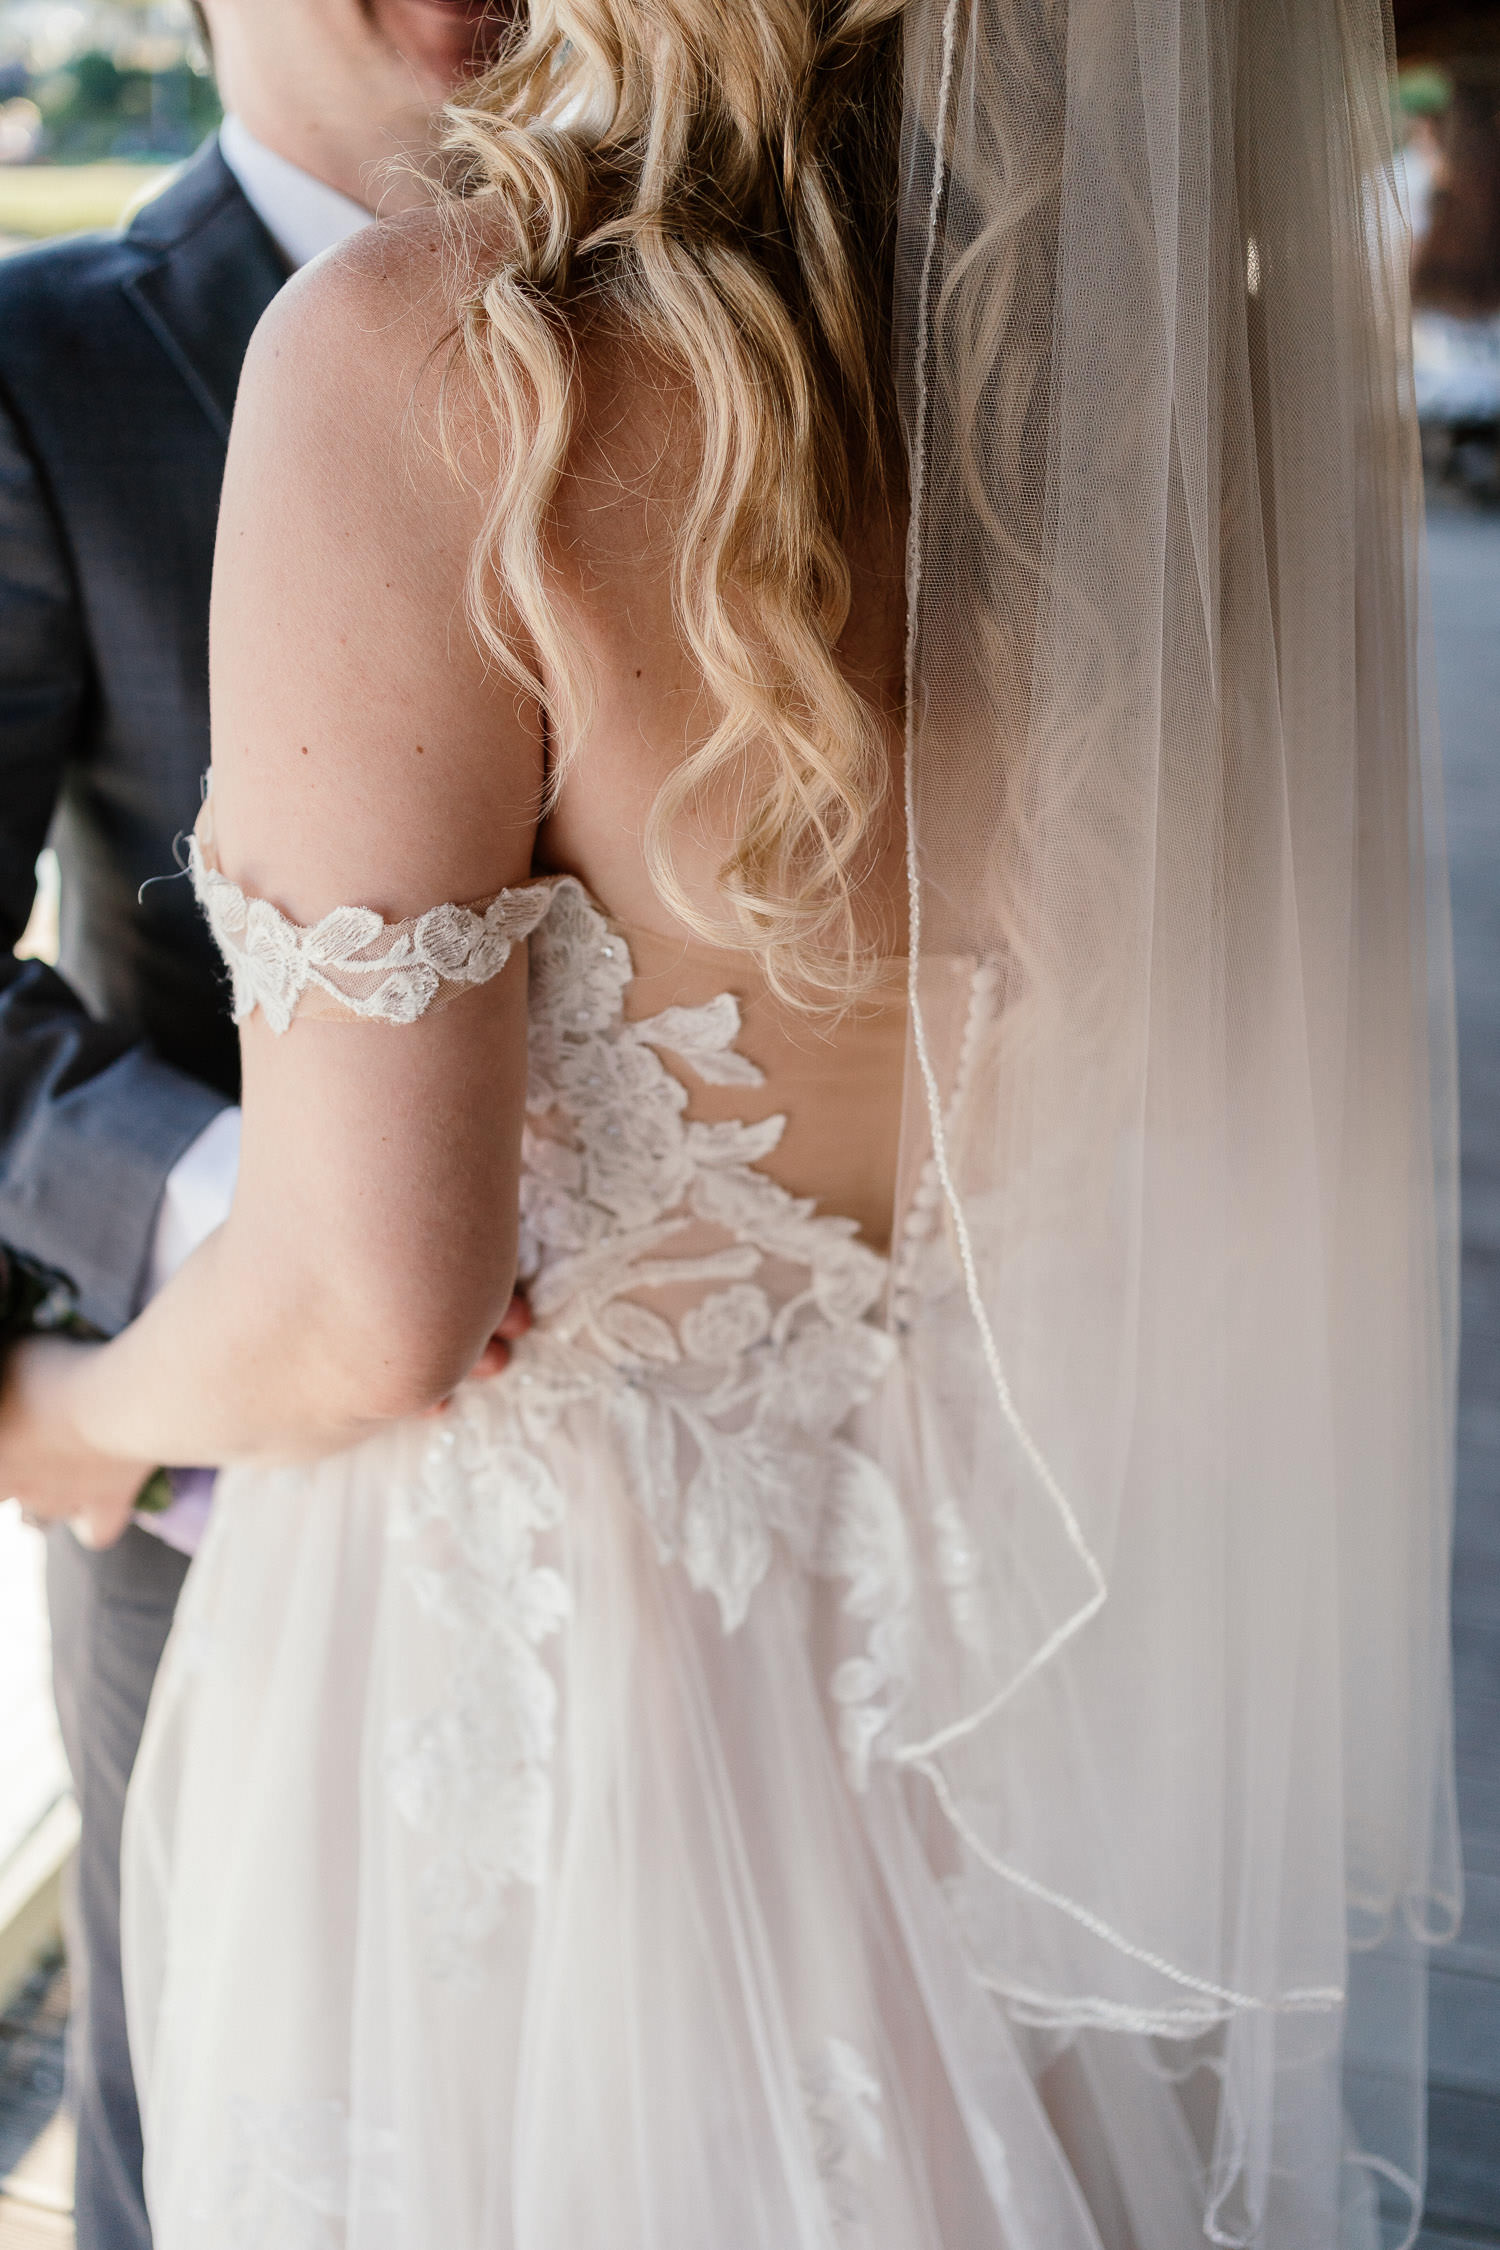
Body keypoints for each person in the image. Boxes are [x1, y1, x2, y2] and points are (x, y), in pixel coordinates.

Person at [0, 1, 1461, 2245]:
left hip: (551, 1724)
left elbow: (374, 1305)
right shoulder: (1176, 394)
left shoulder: (441, 362)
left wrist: (67, 1418)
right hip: (1010, 1646)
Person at [0, 6, 507, 2244]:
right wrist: (249, 1214)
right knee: (207, 2140)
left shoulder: (720, 329)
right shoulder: (46, 361)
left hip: (722, 1497)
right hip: (230, 1481)